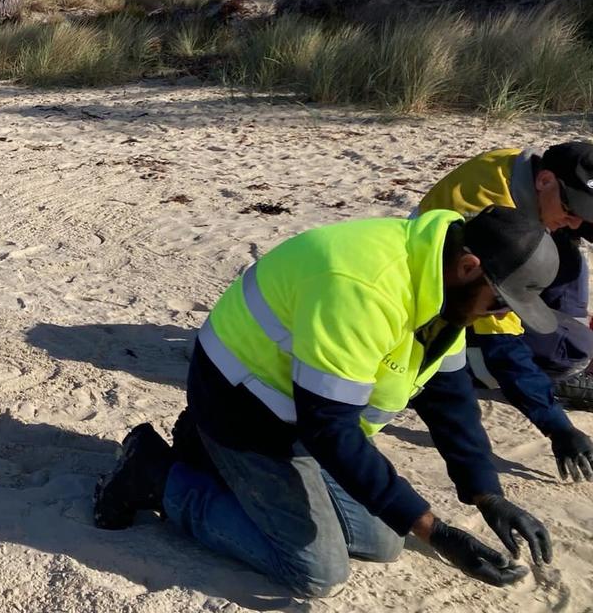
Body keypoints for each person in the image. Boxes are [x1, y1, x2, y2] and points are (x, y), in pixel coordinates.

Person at [93, 207, 555, 597]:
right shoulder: (363, 288)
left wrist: (486, 493)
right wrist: (434, 531)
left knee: (383, 543)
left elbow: (450, 398)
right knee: (317, 573)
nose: (504, 315)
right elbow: (329, 430)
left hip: (301, 413)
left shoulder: (441, 283)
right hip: (242, 409)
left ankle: (208, 456)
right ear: (470, 266)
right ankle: (156, 475)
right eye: (502, 302)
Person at [418, 142, 593, 482]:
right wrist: (559, 428)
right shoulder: (483, 215)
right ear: (544, 182)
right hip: (457, 295)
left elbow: (578, 221)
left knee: (570, 260)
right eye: (572, 210)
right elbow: (506, 349)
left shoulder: (526, 168)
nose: (575, 223)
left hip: (508, 250)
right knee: (572, 351)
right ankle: (464, 362)